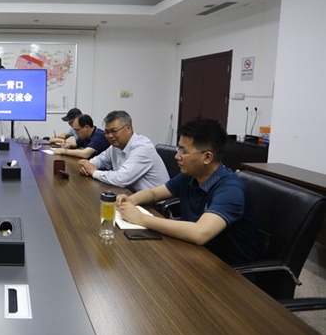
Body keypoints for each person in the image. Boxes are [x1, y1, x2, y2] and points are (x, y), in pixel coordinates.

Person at [116, 118, 259, 265]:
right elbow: (154, 194)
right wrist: (131, 200)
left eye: (183, 152)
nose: (177, 156)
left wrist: (141, 218)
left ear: (207, 157)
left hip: (227, 267)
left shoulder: (230, 190)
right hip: (194, 252)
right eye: (178, 149)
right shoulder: (190, 176)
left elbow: (200, 233)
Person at [78, 110, 169, 192]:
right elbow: (100, 160)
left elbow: (121, 179)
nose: (109, 136)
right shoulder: (116, 146)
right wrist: (88, 166)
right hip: (128, 194)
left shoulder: (142, 148)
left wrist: (94, 172)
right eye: (107, 132)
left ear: (128, 128)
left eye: (114, 131)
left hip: (154, 202)